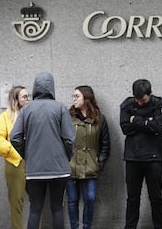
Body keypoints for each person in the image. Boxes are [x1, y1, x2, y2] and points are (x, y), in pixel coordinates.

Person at [10, 72, 76, 229]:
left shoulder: (26, 110)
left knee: (35, 210)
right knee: (57, 208)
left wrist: (28, 154)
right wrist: (65, 156)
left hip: (35, 170)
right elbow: (69, 138)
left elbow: (14, 138)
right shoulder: (60, 107)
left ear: (35, 88)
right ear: (52, 87)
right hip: (59, 169)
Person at [120, 79, 162, 229]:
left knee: (156, 198)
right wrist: (147, 123)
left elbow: (157, 127)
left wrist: (136, 120)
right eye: (137, 99)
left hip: (153, 158)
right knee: (132, 199)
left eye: (143, 99)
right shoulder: (127, 105)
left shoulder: (159, 105)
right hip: (132, 158)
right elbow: (125, 128)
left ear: (150, 94)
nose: (139, 102)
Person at [67, 85, 110, 229]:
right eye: (73, 96)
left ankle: (87, 227)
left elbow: (105, 144)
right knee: (72, 200)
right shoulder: (68, 117)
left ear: (87, 98)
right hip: (71, 166)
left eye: (77, 96)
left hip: (91, 167)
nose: (74, 99)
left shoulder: (99, 118)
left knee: (90, 199)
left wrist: (100, 162)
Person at [0, 85, 30, 229]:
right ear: (15, 99)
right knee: (16, 203)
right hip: (15, 163)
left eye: (29, 96)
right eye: (24, 97)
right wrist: (13, 151)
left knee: (37, 202)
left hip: (34, 162)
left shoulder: (32, 114)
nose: (28, 99)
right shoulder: (5, 116)